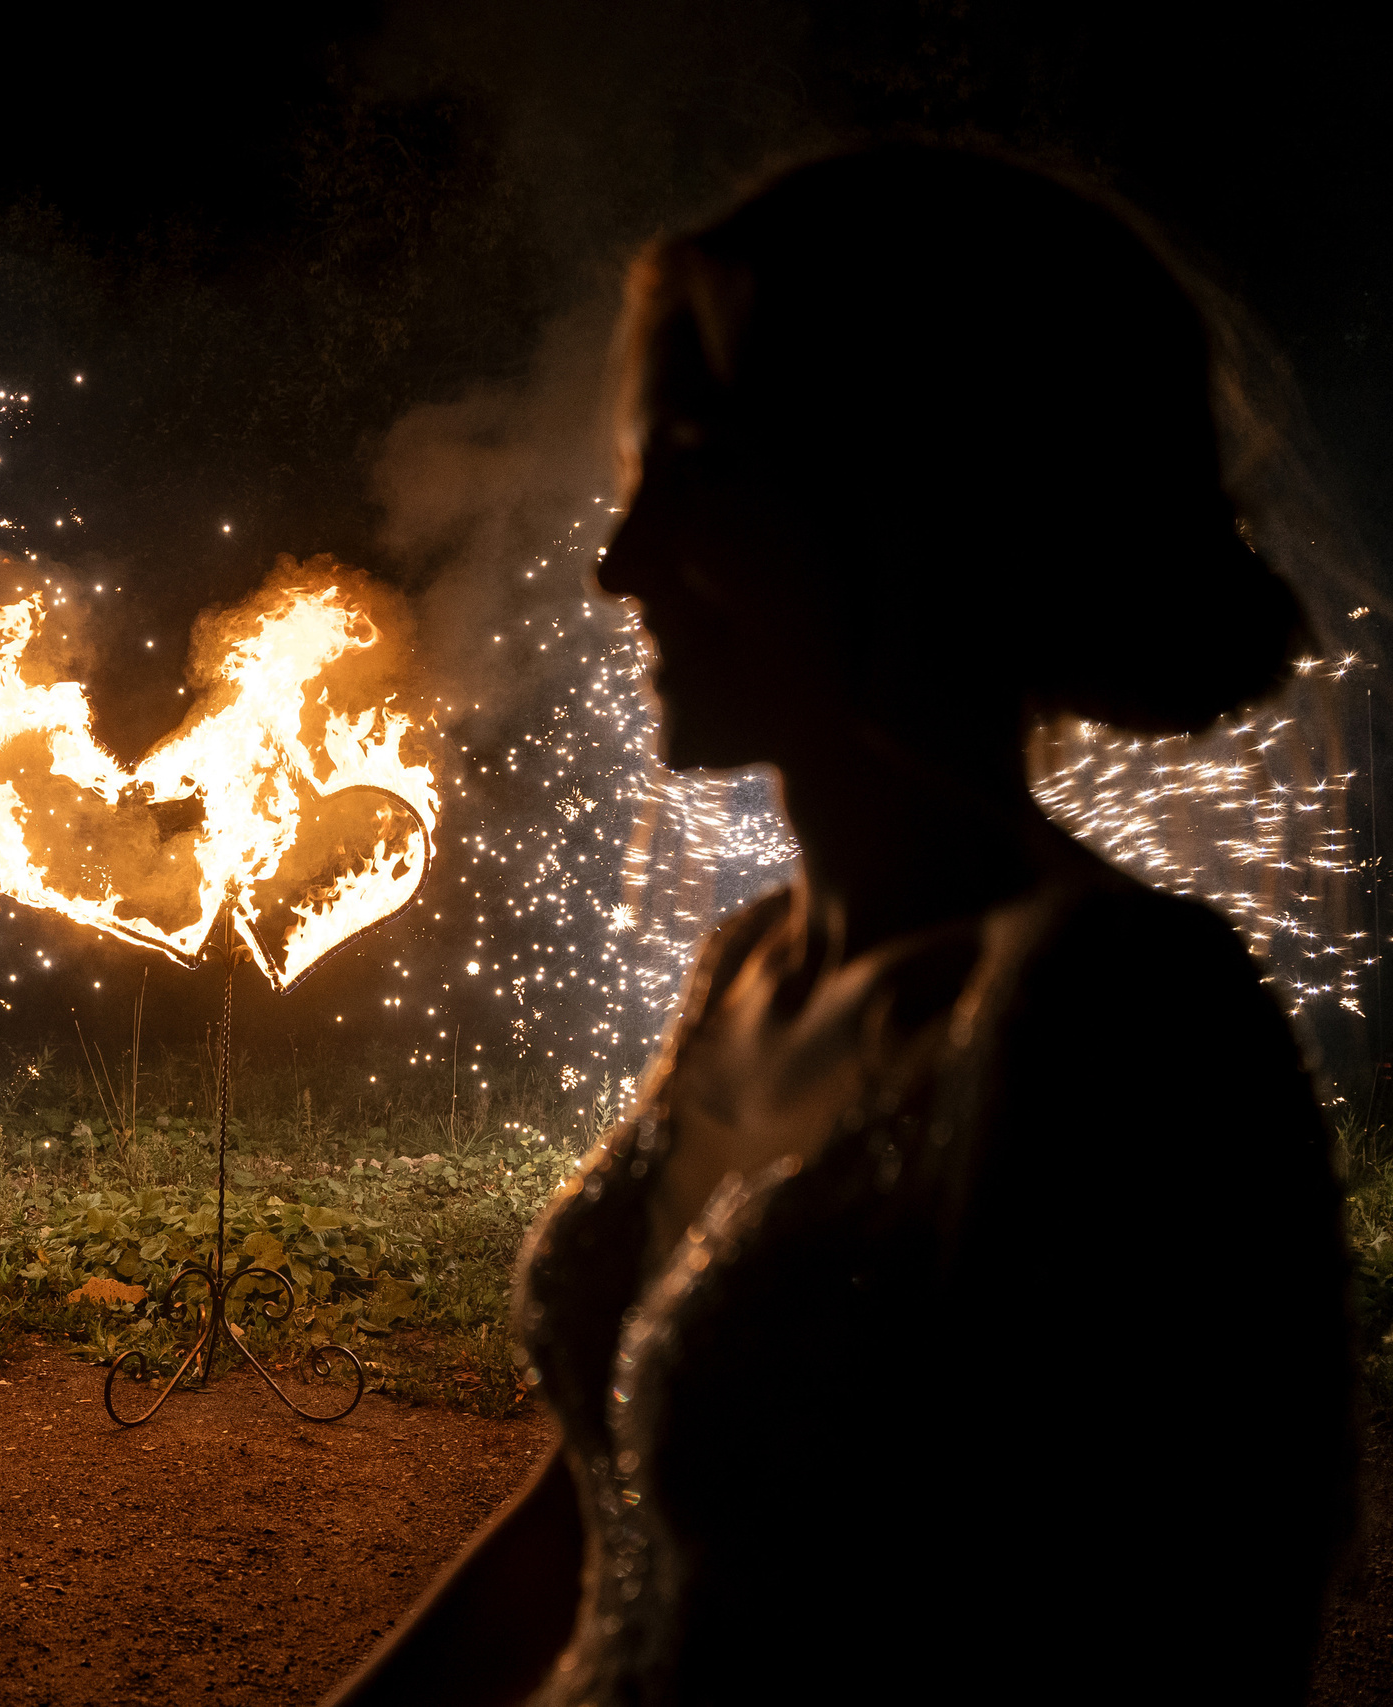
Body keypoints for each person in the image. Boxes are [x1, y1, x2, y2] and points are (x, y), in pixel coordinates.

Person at [323, 147, 1355, 1706]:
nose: (619, 562)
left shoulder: (1121, 1019)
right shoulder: (751, 964)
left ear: (910, 493)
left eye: (702, 467)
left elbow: (1197, 1638)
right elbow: (586, 1529)